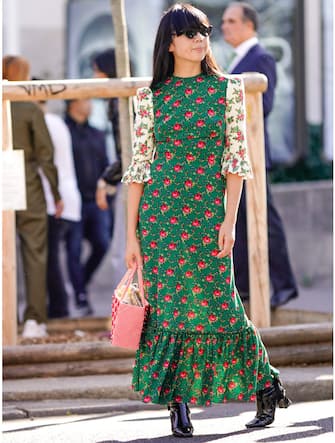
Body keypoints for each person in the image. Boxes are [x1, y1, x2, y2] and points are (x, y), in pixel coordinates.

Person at [121, 3, 291, 438]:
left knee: (222, 306)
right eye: (189, 33)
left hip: (207, 216)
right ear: (170, 43)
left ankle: (266, 384)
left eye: (203, 32)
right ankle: (178, 404)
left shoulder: (227, 91)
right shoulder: (150, 98)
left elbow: (236, 161)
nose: (199, 40)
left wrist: (229, 220)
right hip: (160, 220)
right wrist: (131, 236)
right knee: (166, 312)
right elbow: (139, 169)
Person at [221, 2, 298, 308]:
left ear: (248, 25)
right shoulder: (240, 59)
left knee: (265, 221)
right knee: (243, 221)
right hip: (239, 157)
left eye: (230, 21)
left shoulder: (260, 57)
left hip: (251, 155)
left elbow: (261, 106)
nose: (224, 26)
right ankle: (245, 287)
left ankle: (283, 285)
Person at [2, 55, 63, 338]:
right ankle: (33, 320)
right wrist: (55, 192)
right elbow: (46, 156)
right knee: (35, 253)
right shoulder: (29, 108)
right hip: (27, 184)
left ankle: (6, 317)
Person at [65, 99, 110, 315]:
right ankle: (80, 297)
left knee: (102, 244)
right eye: (84, 100)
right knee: (73, 249)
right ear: (72, 104)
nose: (89, 104)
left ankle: (81, 281)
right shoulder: (64, 132)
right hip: (73, 201)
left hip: (95, 201)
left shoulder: (97, 133)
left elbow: (105, 166)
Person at [37, 100, 82, 319]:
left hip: (52, 200)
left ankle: (59, 309)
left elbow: (46, 163)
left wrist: (54, 197)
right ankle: (64, 305)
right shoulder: (58, 122)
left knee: (51, 260)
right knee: (66, 258)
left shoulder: (42, 123)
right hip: (70, 198)